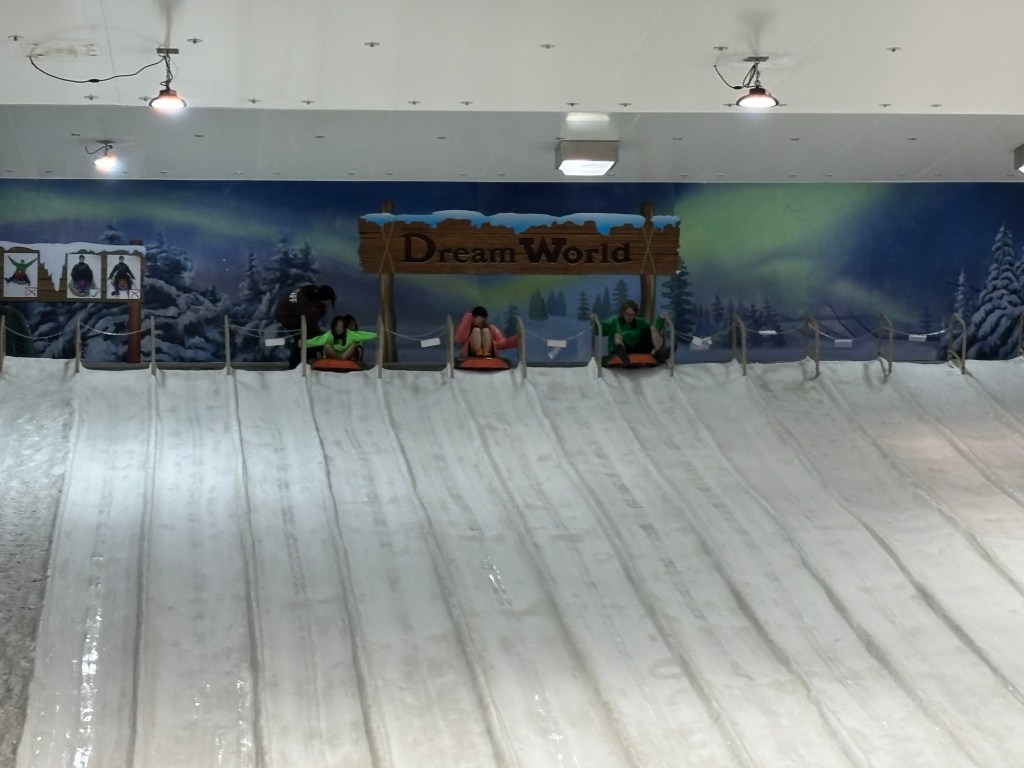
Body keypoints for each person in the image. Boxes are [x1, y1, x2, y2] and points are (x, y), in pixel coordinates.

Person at [274, 284, 337, 368]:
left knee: (308, 339)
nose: (329, 304)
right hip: (287, 317)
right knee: (304, 341)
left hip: (293, 314)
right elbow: (310, 327)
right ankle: (296, 368)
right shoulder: (307, 308)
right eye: (328, 301)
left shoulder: (313, 291)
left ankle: (305, 364)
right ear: (323, 299)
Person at [595, 299, 669, 366]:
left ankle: (660, 352)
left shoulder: (640, 322)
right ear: (623, 313)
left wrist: (661, 318)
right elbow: (601, 330)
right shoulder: (614, 321)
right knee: (618, 335)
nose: (629, 317)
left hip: (637, 348)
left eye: (632, 314)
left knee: (652, 328)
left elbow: (655, 330)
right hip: (621, 349)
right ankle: (621, 353)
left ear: (635, 314)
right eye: (627, 314)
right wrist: (595, 322)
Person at [304, 314, 377, 362]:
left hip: (346, 357)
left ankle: (342, 360)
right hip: (333, 357)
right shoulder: (330, 334)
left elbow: (364, 335)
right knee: (326, 346)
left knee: (354, 345)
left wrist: (377, 335)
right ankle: (339, 360)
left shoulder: (351, 334)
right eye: (337, 326)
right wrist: (304, 343)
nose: (339, 329)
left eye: (341, 326)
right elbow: (317, 340)